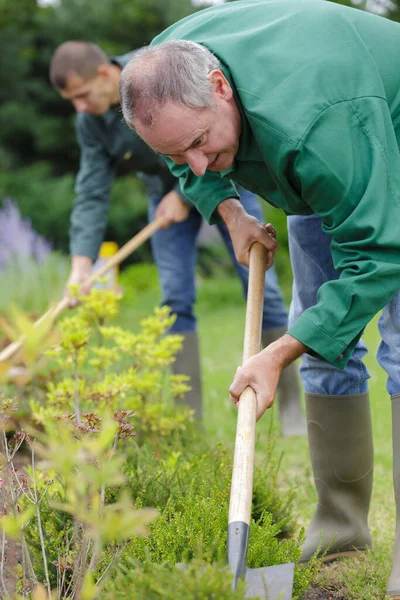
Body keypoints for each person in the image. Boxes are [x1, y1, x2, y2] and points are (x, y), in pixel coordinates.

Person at [119, 0, 400, 596]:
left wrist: (276, 355)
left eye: (200, 142)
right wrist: (230, 211)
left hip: (376, 139)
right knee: (321, 335)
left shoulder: (314, 124)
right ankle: (339, 535)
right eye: (175, 155)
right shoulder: (167, 70)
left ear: (220, 87)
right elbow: (193, 157)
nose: (194, 163)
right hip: (321, 160)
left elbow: (379, 254)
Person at [48, 41, 305, 435]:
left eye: (82, 95)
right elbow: (92, 191)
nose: (80, 107)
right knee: (174, 300)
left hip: (223, 177)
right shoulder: (91, 123)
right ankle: (188, 421)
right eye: (71, 101)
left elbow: (206, 130)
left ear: (103, 75)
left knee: (260, 286)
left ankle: (289, 411)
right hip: (161, 200)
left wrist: (183, 194)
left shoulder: (154, 72)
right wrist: (82, 267)